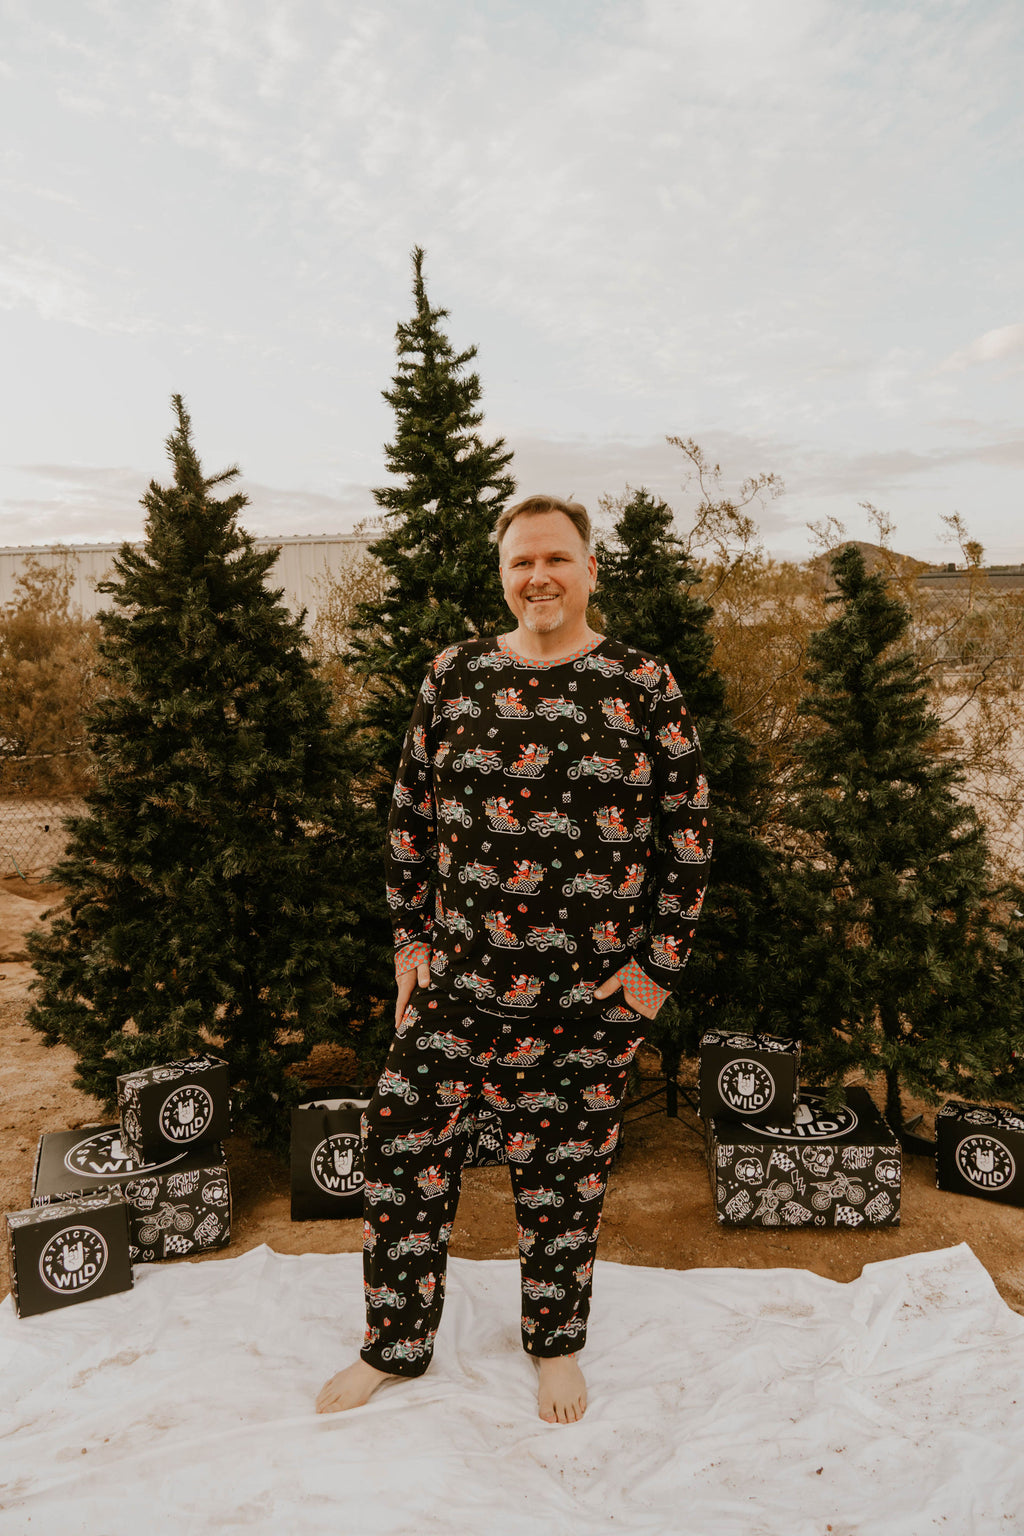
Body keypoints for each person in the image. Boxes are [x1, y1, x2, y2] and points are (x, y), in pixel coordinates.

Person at [316, 494, 711, 1424]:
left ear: (590, 569)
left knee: (564, 1179)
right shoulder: (453, 676)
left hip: (586, 997)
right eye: (522, 561)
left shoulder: (642, 683)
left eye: (557, 559)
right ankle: (394, 1343)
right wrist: (410, 942)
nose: (540, 576)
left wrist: (653, 975)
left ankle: (556, 1346)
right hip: (457, 983)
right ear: (503, 576)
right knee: (399, 1150)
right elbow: (409, 823)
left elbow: (688, 836)